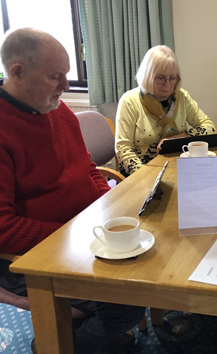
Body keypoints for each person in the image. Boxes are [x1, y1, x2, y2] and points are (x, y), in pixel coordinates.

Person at [0, 28, 145, 354]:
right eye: (55, 76)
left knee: (147, 265)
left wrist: (108, 209)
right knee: (130, 300)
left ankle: (83, 326)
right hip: (32, 257)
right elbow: (3, 228)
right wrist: (77, 239)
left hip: (82, 238)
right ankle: (59, 345)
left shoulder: (58, 111)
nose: (66, 86)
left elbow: (87, 169)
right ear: (17, 73)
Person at [116, 45, 216, 176]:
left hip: (177, 168)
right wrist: (146, 177)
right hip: (142, 171)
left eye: (172, 78)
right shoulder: (130, 101)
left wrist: (180, 137)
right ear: (148, 76)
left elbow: (209, 127)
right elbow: (123, 149)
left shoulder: (181, 96)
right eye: (161, 78)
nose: (168, 85)